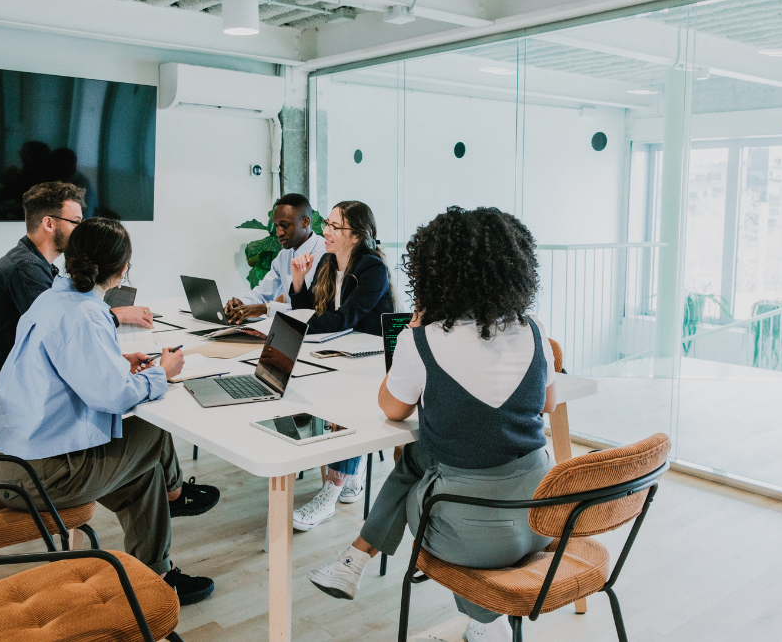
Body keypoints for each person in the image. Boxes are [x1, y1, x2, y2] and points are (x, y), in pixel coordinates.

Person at [306, 207, 558, 642]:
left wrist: (413, 336)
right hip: (543, 517)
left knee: (412, 462)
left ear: (434, 273)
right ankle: (355, 561)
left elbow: (392, 408)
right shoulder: (534, 330)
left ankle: (479, 614)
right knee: (424, 455)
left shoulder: (424, 338)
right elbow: (547, 404)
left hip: (471, 534)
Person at [0, 217, 220, 606]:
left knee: (144, 475)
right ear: (123, 269)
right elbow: (113, 398)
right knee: (151, 430)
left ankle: (155, 579)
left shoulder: (52, 299)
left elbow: (70, 370)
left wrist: (117, 361)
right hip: (36, 476)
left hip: (4, 462)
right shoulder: (86, 315)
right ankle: (177, 493)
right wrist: (161, 372)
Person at [0, 182, 155, 456]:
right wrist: (117, 317)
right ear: (49, 223)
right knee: (97, 416)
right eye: (76, 222)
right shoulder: (27, 270)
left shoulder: (32, 263)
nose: (81, 231)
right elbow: (64, 333)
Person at [287, 200, 396, 530]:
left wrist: (301, 326)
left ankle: (330, 493)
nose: (327, 232)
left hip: (373, 360)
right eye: (327, 225)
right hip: (338, 351)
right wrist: (297, 280)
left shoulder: (372, 269)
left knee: (343, 404)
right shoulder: (326, 261)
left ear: (356, 235)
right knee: (302, 386)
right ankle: (350, 465)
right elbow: (308, 310)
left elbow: (343, 319)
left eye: (336, 227)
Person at [224, 193, 325, 323]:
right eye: (276, 226)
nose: (279, 233)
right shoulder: (284, 255)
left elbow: (312, 310)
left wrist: (266, 308)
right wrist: (241, 303)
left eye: (285, 225)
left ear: (305, 222)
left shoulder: (325, 254)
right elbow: (263, 293)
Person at [52, 147, 98, 219]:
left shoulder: (82, 184)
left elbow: (86, 214)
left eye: (56, 163)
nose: (53, 166)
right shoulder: (57, 180)